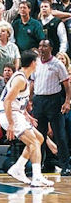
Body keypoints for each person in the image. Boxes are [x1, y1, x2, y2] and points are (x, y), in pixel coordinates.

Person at [0, 50, 54, 187]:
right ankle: (37, 177)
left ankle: (18, 168)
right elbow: (7, 101)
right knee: (34, 142)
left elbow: (18, 101)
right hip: (9, 114)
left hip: (16, 113)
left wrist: (27, 115)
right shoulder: (20, 79)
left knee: (39, 139)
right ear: (33, 63)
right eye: (37, 60)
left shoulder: (24, 78)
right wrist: (11, 124)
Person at [31, 39, 71, 175]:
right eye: (40, 46)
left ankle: (65, 166)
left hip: (54, 101)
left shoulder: (57, 64)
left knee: (60, 135)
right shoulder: (36, 63)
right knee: (39, 136)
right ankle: (39, 166)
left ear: (51, 49)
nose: (41, 48)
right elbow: (32, 82)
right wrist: (29, 100)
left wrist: (67, 101)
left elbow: (66, 84)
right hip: (38, 100)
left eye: (45, 46)